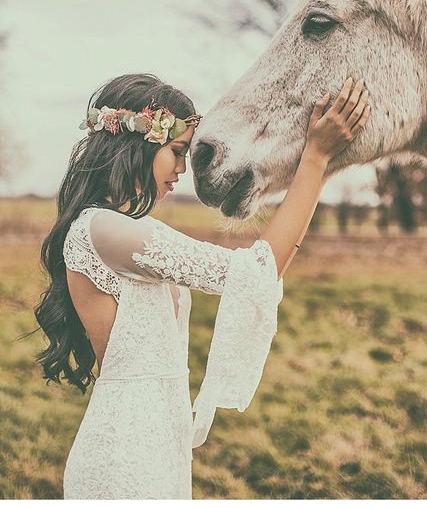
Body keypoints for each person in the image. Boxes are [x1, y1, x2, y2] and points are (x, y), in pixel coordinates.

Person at [33, 72, 370, 500]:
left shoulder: (112, 228)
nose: (181, 168)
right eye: (175, 151)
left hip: (156, 444)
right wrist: (316, 160)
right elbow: (256, 272)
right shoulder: (106, 229)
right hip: (126, 455)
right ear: (137, 143)